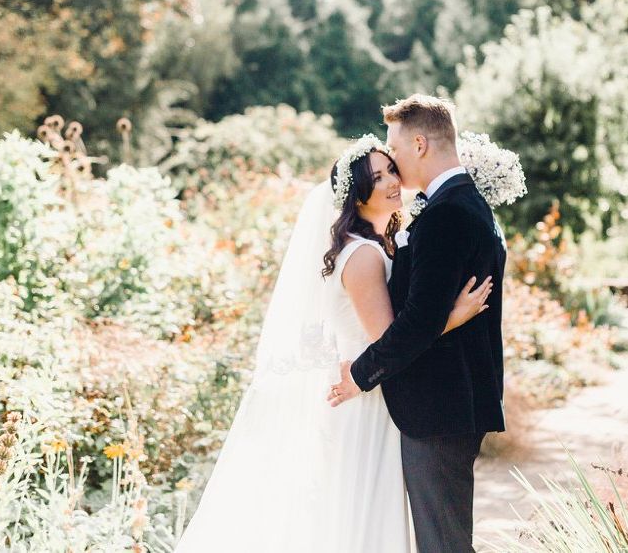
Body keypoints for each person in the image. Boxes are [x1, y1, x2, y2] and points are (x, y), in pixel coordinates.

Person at [173, 125, 491, 553]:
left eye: (392, 170)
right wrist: (454, 316)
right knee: (360, 520)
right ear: (357, 194)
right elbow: (387, 336)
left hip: (381, 394)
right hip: (365, 400)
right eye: (378, 177)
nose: (393, 181)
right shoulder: (362, 256)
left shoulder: (381, 245)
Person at [328, 94, 507, 553]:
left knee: (443, 544)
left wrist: (360, 376)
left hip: (439, 407)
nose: (394, 161)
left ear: (420, 144)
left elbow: (416, 322)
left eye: (396, 148)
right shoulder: (457, 204)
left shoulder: (447, 213)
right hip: (444, 404)